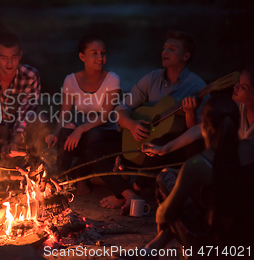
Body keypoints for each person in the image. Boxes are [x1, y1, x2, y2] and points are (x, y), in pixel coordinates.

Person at [90, 31, 207, 213]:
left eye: (172, 49)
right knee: (94, 146)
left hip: (170, 152)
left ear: (186, 56)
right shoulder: (152, 78)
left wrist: (190, 112)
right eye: (164, 48)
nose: (165, 52)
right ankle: (128, 194)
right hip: (140, 144)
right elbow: (122, 107)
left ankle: (134, 191)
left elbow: (198, 133)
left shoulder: (197, 87)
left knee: (160, 143)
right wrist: (131, 125)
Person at [127, 96, 254, 259]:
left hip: (215, 243)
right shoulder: (249, 149)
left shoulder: (198, 164)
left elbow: (166, 213)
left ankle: (160, 251)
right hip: (246, 240)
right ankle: (152, 249)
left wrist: (161, 211)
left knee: (172, 202)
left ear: (205, 125)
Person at [45, 36, 121, 195]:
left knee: (92, 133)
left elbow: (105, 116)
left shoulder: (112, 79)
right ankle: (61, 180)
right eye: (94, 53)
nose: (100, 58)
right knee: (65, 131)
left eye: (103, 53)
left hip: (105, 134)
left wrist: (80, 129)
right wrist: (55, 132)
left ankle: (81, 176)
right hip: (80, 134)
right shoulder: (71, 80)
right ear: (82, 56)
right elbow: (65, 113)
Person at [142, 67, 254, 155]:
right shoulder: (238, 106)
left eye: (243, 87)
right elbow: (199, 129)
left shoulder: (196, 83)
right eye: (238, 81)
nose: (236, 86)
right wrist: (163, 149)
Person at [0, 33, 41, 160]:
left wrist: (16, 137)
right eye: (4, 58)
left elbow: (28, 109)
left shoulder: (30, 76)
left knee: (39, 120)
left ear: (20, 55)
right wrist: (3, 141)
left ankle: (32, 162)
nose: (9, 63)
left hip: (22, 127)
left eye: (13, 57)